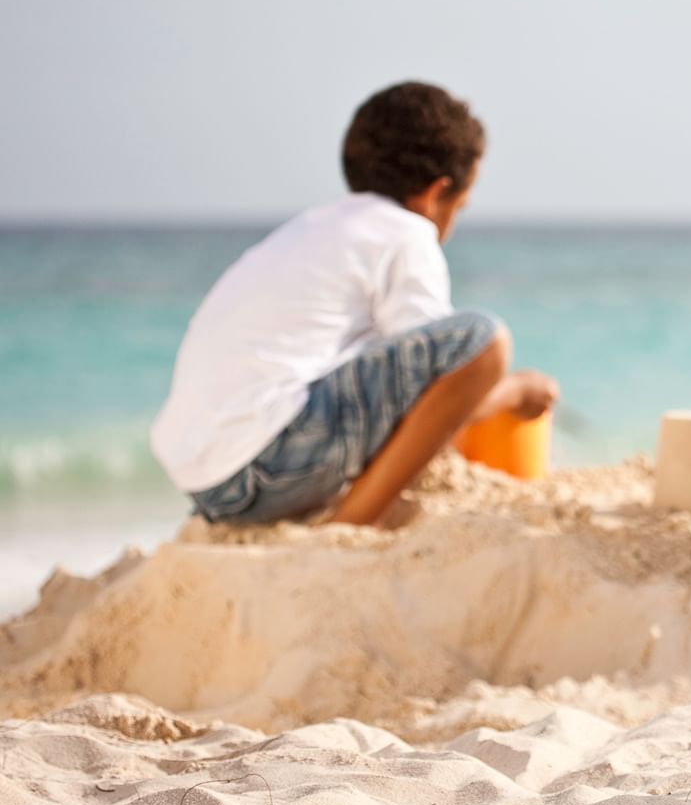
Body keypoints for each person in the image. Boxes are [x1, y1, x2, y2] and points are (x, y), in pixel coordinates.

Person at [150, 82, 559, 526]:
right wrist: (516, 391)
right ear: (436, 193)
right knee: (484, 342)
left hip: (208, 486)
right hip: (266, 467)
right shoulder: (406, 234)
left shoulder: (312, 229)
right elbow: (440, 390)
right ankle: (351, 520)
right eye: (459, 206)